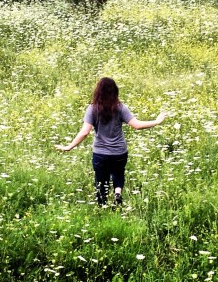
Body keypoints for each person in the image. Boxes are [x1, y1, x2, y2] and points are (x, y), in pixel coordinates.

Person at [55, 77, 169, 206]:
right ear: (115, 91)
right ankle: (118, 194)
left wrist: (69, 146)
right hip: (119, 152)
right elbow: (137, 125)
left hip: (100, 154)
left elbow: (84, 132)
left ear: (98, 91)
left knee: (101, 182)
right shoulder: (120, 107)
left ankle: (102, 206)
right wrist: (157, 121)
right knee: (118, 173)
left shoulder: (92, 109)